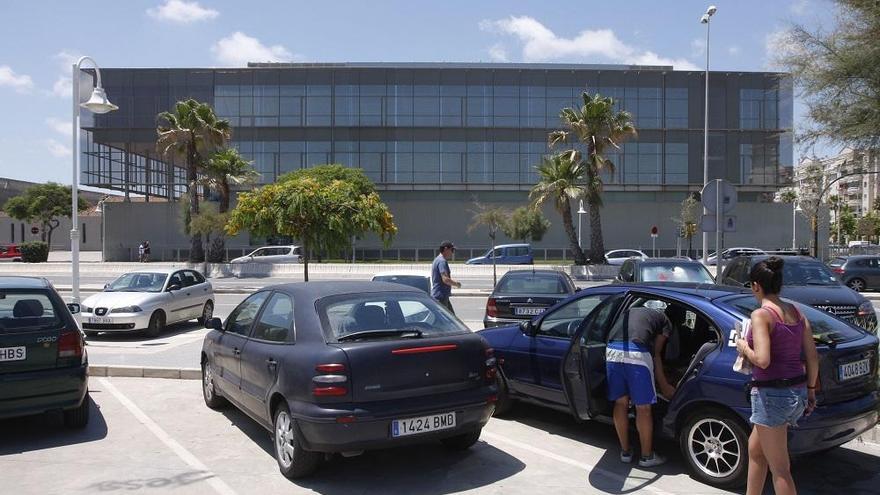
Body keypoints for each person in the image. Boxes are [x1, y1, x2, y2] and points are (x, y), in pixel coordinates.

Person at [736, 257, 819, 495]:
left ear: (755, 286)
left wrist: (743, 346)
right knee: (755, 451)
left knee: (780, 469)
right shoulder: (796, 312)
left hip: (772, 395)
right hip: (798, 391)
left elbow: (762, 359)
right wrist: (811, 391)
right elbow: (813, 357)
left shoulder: (761, 315)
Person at [605, 305, 677, 467]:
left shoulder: (630, 310)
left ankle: (625, 451)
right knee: (643, 408)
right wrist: (665, 386)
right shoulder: (665, 321)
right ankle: (647, 456)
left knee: (620, 402)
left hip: (611, 351)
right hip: (637, 354)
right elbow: (656, 353)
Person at [431, 240, 461, 314]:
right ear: (445, 249)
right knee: (448, 321)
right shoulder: (442, 261)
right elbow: (445, 279)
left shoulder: (437, 260)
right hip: (441, 297)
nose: (452, 253)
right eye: (452, 250)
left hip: (442, 296)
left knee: (451, 319)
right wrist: (456, 284)